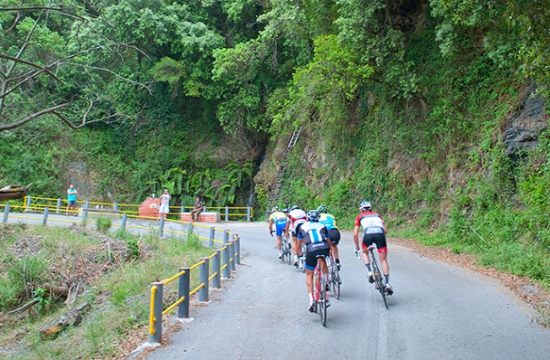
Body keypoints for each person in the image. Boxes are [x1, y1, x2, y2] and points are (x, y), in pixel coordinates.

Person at [353, 201, 393, 295]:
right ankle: (387, 283)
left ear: (361, 210)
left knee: (364, 252)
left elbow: (355, 234)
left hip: (367, 235)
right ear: (370, 208)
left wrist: (357, 247)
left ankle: (370, 271)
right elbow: (385, 230)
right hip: (380, 234)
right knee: (383, 260)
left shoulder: (359, 217)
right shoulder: (378, 215)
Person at [298, 210, 333, 312]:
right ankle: (326, 281)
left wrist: (300, 254)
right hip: (323, 247)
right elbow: (328, 240)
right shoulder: (322, 226)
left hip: (311, 249)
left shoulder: (303, 226)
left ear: (308, 218)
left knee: (309, 274)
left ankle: (311, 301)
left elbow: (299, 243)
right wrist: (329, 250)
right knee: (323, 259)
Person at [317, 205, 342, 269]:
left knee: (323, 246)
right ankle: (337, 261)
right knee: (334, 245)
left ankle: (326, 260)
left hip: (324, 231)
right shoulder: (331, 216)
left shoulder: (317, 217)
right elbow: (335, 224)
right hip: (334, 231)